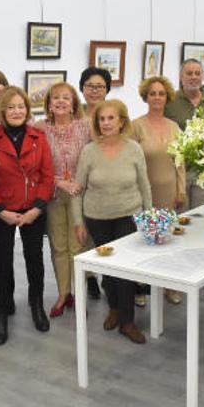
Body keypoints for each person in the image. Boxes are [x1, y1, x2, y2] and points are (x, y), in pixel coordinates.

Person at [72, 99, 152, 344]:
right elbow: (78, 189)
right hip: (97, 218)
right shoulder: (89, 151)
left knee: (125, 269)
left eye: (111, 118)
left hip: (129, 215)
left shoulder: (134, 149)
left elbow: (144, 185)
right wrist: (79, 222)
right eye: (102, 119)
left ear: (121, 121)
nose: (106, 123)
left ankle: (127, 322)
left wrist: (148, 217)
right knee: (107, 269)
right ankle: (114, 308)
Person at [0, 86, 54, 344]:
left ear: (27, 109)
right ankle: (2, 311)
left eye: (20, 106)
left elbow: (47, 175)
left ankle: (36, 305)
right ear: (2, 110)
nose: (16, 111)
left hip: (34, 209)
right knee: (2, 261)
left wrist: (37, 208)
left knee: (35, 258)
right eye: (10, 107)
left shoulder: (38, 137)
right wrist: (0, 210)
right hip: (2, 212)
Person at [36, 82, 92, 319]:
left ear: (73, 104)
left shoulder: (86, 126)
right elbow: (36, 165)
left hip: (81, 195)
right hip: (53, 196)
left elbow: (93, 159)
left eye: (66, 98)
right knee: (58, 246)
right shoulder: (39, 128)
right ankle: (63, 294)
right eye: (55, 98)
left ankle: (79, 295)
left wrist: (77, 182)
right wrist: (60, 182)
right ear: (49, 104)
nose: (60, 101)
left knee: (77, 247)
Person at [133, 76, 186, 305]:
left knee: (166, 239)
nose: (157, 97)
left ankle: (167, 286)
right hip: (145, 191)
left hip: (169, 190)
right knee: (144, 240)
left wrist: (181, 189)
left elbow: (180, 162)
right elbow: (131, 162)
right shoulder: (136, 126)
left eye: (161, 93)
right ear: (146, 96)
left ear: (167, 98)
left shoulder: (174, 126)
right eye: (152, 93)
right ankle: (140, 287)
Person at [164, 59, 204, 209]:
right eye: (189, 73)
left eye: (197, 73)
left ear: (203, 76)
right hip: (178, 170)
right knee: (180, 218)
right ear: (181, 76)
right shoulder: (169, 102)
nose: (193, 77)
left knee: (202, 216)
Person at [76, 67, 111, 301]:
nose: (95, 90)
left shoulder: (113, 113)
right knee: (84, 236)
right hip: (80, 182)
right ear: (82, 88)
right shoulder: (74, 114)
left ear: (107, 89)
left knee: (109, 234)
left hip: (107, 181)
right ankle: (89, 279)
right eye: (90, 86)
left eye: (99, 86)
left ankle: (111, 279)